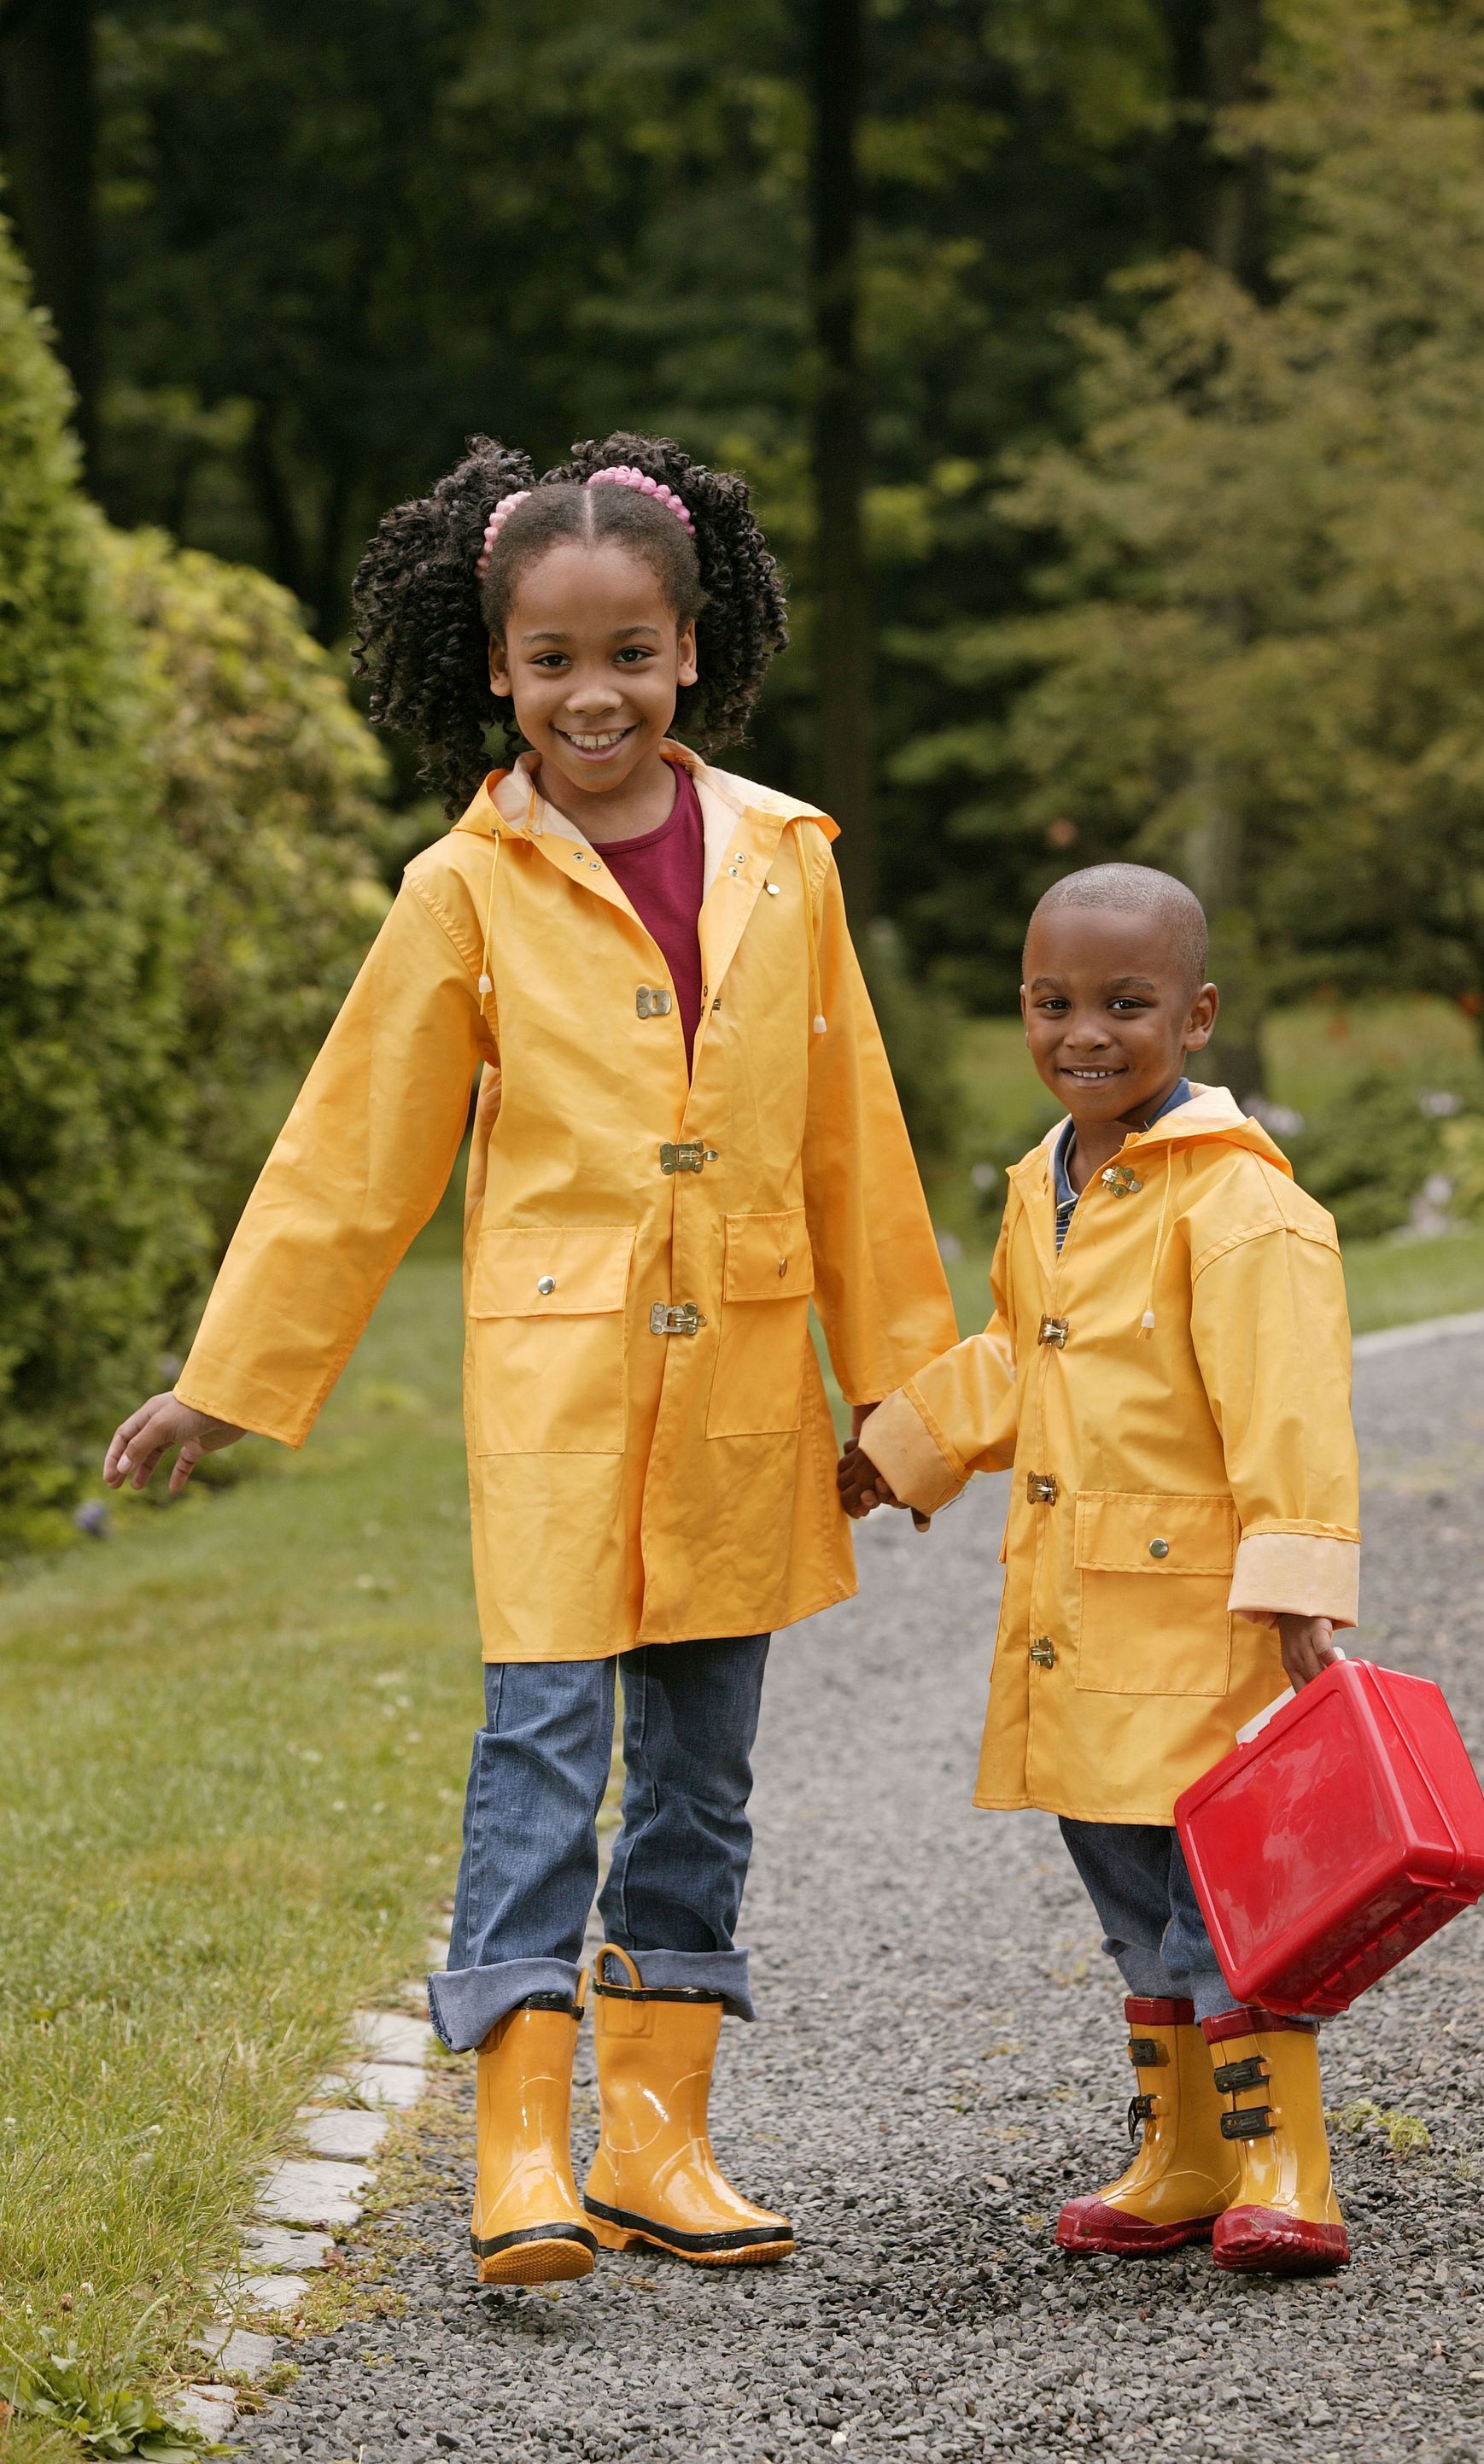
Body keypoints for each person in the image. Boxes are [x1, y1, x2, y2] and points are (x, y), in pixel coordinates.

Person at [105, 432, 955, 2286]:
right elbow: (357, 1149)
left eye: (631, 653)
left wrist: (907, 1405)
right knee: (543, 1752)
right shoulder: (464, 889)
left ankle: (659, 2137)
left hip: (736, 1400)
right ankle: (516, 2147)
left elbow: (852, 1144)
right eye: (555, 659)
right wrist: (231, 1377)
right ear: (496, 665)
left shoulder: (782, 863)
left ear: (691, 649)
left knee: (704, 1775)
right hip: (559, 1398)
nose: (596, 694)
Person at [837, 864, 1360, 2274]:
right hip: (1083, 1619)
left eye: (1125, 1005)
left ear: (1193, 1020)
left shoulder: (1238, 1207)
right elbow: (1024, 1356)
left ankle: (1283, 2157)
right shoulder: (1046, 1182)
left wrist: (1300, 1577)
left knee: (1232, 1892)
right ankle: (1184, 2149)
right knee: (1129, 1883)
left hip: (1206, 1619)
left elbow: (1287, 1399)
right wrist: (903, 1444)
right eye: (1055, 1002)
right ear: (1022, 1007)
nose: (1086, 1032)